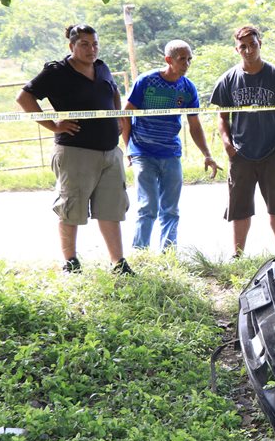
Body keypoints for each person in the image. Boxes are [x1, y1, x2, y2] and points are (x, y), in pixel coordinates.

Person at [15, 24, 133, 274]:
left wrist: (118, 118)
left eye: (95, 44)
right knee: (71, 209)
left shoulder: (102, 67)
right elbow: (24, 98)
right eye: (84, 44)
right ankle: (71, 262)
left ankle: (118, 263)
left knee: (111, 208)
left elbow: (113, 93)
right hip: (75, 152)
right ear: (71, 46)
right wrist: (52, 124)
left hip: (110, 151)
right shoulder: (56, 71)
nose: (91, 49)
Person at [119, 40, 220, 252]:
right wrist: (129, 148)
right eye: (182, 59)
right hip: (143, 152)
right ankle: (140, 252)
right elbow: (125, 115)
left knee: (171, 209)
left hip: (171, 153)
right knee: (148, 206)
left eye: (189, 59)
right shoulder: (146, 81)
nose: (187, 63)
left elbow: (194, 124)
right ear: (169, 60)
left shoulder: (187, 88)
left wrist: (207, 154)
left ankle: (168, 253)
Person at [210, 25, 275, 255]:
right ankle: (237, 255)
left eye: (253, 45)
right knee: (239, 209)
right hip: (241, 154)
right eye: (243, 46)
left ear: (260, 44)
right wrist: (228, 145)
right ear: (236, 49)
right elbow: (222, 117)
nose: (248, 50)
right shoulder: (228, 80)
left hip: (272, 153)